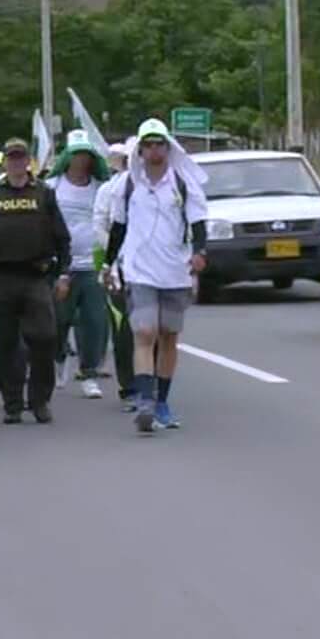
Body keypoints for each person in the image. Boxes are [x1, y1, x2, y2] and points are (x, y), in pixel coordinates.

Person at [105, 119, 210, 434]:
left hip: (175, 271)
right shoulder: (127, 185)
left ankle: (162, 401)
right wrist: (108, 265)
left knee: (168, 336)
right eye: (148, 145)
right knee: (144, 332)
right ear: (139, 150)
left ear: (168, 147)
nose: (154, 150)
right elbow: (118, 228)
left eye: (159, 144)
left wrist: (200, 252)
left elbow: (199, 223)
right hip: (139, 271)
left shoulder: (183, 183)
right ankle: (145, 401)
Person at [0, 138, 71, 425]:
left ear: (28, 161)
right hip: (1, 277)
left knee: (44, 338)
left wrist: (64, 273)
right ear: (5, 162)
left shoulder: (44, 193)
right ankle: (12, 404)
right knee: (5, 344)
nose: (16, 163)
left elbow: (61, 237)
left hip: (36, 276)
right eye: (11, 158)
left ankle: (40, 400)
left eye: (21, 158)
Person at [46, 132, 113, 402]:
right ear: (68, 157)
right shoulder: (52, 187)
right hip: (62, 265)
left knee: (95, 322)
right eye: (77, 155)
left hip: (93, 265)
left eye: (86, 155)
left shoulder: (102, 189)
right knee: (59, 319)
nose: (81, 160)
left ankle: (89, 373)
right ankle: (59, 359)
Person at [93, 141, 139, 410]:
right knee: (125, 331)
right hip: (120, 268)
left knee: (152, 329)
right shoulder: (110, 189)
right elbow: (100, 223)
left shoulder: (162, 186)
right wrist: (115, 256)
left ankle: (151, 384)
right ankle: (129, 387)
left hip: (153, 270)